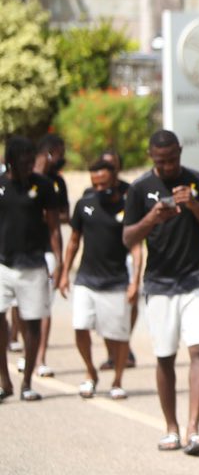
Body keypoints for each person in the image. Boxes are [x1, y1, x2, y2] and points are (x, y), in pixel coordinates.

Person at [123, 130, 199, 455]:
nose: (167, 167)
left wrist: (194, 205)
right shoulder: (139, 189)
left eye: (172, 160)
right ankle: (171, 428)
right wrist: (151, 218)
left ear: (181, 152)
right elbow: (127, 238)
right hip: (160, 282)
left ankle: (194, 430)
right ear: (151, 156)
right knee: (164, 356)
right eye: (160, 161)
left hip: (196, 279)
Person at [58, 159, 142, 399]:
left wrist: (135, 281)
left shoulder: (128, 207)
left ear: (115, 178)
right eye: (95, 183)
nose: (99, 187)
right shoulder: (84, 205)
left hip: (116, 280)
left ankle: (117, 381)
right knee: (81, 326)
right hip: (86, 278)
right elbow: (74, 240)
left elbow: (136, 247)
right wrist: (64, 273)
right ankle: (90, 372)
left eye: (103, 182)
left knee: (119, 335)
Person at [0, 136, 63, 401]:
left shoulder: (45, 186)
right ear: (10, 163)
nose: (29, 167)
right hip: (2, 263)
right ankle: (4, 380)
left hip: (34, 264)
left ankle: (27, 382)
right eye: (23, 163)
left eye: (31, 161)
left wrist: (58, 263)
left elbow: (53, 227)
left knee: (32, 324)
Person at [26, 134, 70, 378]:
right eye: (61, 152)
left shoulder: (57, 183)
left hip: (46, 251)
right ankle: (25, 350)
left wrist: (49, 216)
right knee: (17, 308)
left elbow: (64, 216)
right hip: (19, 253)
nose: (63, 158)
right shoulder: (19, 178)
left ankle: (40, 357)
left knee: (43, 306)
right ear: (51, 151)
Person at [91, 148, 138, 370]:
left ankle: (124, 344)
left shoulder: (130, 191)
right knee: (104, 310)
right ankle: (114, 351)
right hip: (102, 261)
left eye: (114, 164)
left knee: (130, 303)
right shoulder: (91, 193)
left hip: (127, 256)